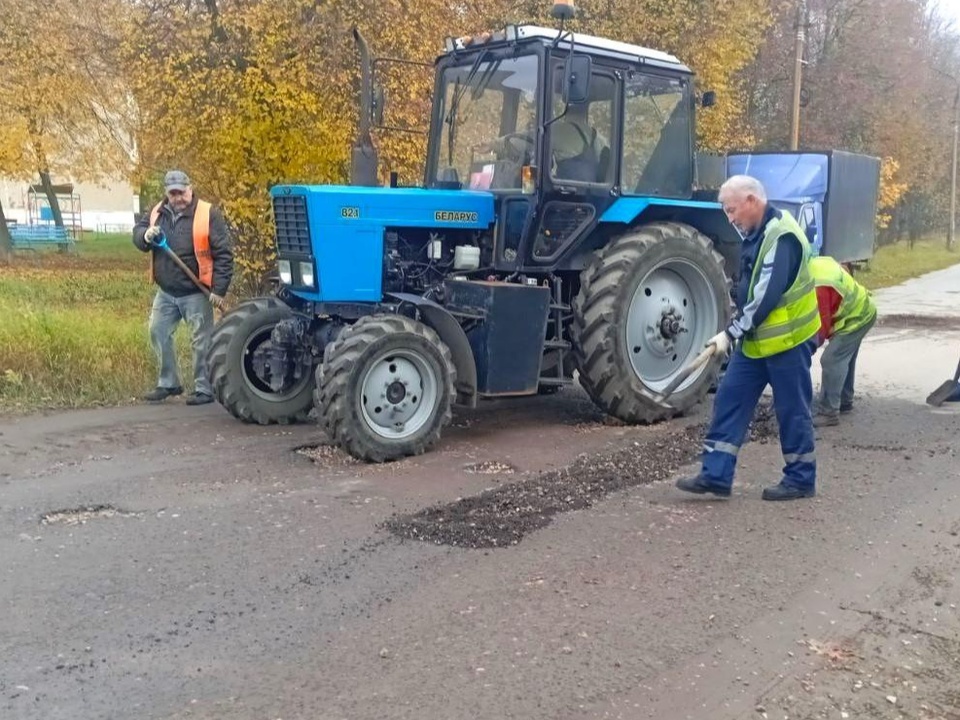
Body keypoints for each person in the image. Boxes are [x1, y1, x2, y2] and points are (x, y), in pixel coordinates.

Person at [676, 175, 821, 501]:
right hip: (756, 343)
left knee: (792, 411)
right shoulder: (756, 232)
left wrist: (729, 333)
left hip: (788, 343)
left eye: (732, 210)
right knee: (728, 400)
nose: (730, 218)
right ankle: (715, 475)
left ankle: (801, 479)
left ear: (753, 201)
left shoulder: (780, 237)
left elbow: (765, 297)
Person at [133, 170, 233, 405]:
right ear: (166, 193)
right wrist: (145, 235)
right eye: (173, 193)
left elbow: (224, 254)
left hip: (196, 291)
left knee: (201, 341)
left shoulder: (207, 214)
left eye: (181, 192)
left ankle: (204, 388)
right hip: (166, 291)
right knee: (157, 331)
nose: (178, 197)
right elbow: (137, 234)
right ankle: (169, 383)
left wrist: (219, 290)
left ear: (190, 187)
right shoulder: (157, 212)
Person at [809, 256, 877, 426]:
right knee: (844, 357)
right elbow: (842, 268)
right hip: (864, 308)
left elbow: (820, 330)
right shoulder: (815, 263)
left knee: (831, 359)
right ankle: (844, 401)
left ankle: (829, 412)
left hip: (858, 317)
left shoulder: (818, 287)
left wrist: (802, 352)